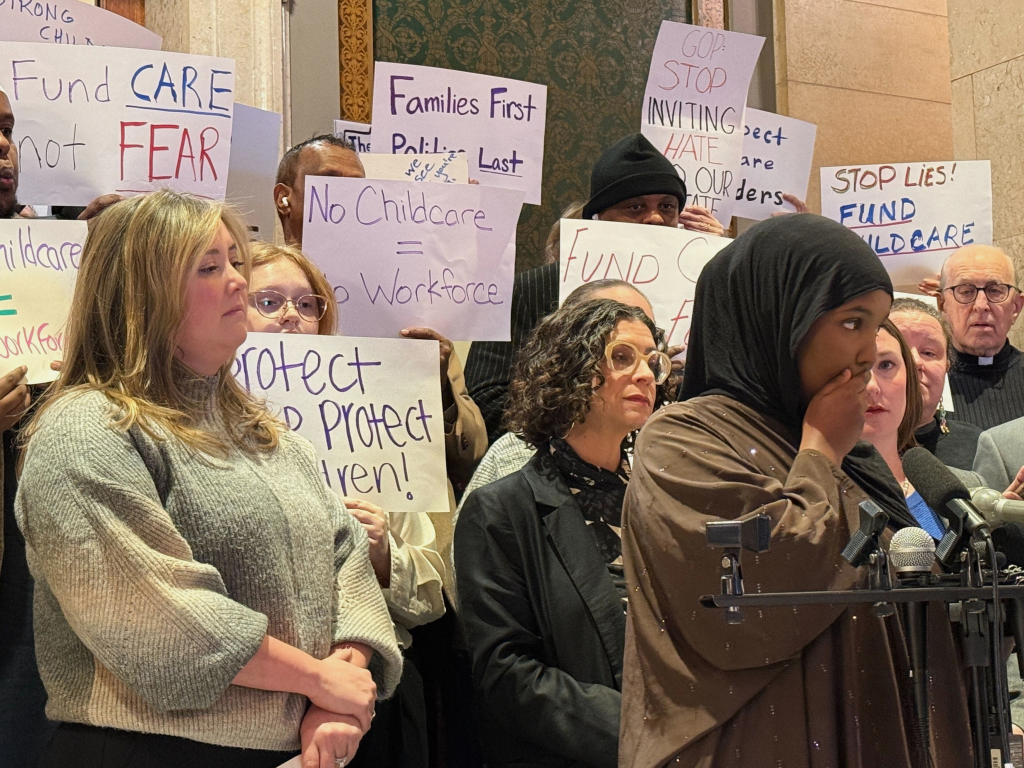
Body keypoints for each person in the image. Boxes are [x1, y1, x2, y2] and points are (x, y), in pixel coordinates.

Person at [15, 191, 403, 768]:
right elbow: (159, 616)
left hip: (295, 748)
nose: (238, 283)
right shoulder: (85, 429)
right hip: (140, 751)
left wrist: (335, 697)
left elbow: (345, 562)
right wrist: (318, 682)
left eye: (235, 261)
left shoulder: (271, 435)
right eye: (209, 267)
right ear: (141, 293)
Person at [619, 214, 972, 768]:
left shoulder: (854, 454)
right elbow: (763, 590)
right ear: (778, 316)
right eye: (852, 322)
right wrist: (818, 455)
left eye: (877, 327)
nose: (866, 354)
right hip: (754, 744)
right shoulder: (682, 439)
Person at [245, 241, 445, 768]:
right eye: (268, 301)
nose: (291, 315)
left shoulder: (375, 408)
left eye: (307, 304)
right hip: (249, 704)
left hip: (371, 699)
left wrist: (381, 555)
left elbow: (430, 602)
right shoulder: (196, 425)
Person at [455, 298, 671, 768]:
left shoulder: (663, 499)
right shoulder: (501, 510)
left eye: (653, 361)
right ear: (569, 368)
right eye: (621, 357)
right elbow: (507, 674)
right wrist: (639, 731)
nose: (646, 375)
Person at [0, 83, 124, 767]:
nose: (3, 147)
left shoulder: (49, 251)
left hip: (33, 564)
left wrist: (102, 257)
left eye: (8, 128)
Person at [464, 133, 724, 444]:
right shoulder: (532, 290)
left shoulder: (703, 294)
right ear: (599, 218)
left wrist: (726, 265)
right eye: (635, 206)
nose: (655, 218)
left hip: (672, 460)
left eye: (668, 207)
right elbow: (487, 401)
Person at [860, 319, 949, 538]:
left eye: (885, 365)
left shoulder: (960, 490)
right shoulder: (813, 496)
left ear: (910, 376)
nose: (872, 386)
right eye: (856, 368)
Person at [889, 297, 982, 470]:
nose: (915, 362)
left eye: (929, 352)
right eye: (900, 350)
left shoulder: (977, 446)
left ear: (947, 366)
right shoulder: (845, 446)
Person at [939, 244, 1024, 430]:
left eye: (995, 290)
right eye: (966, 291)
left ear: (1016, 307)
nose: (981, 305)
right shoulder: (924, 382)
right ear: (943, 305)